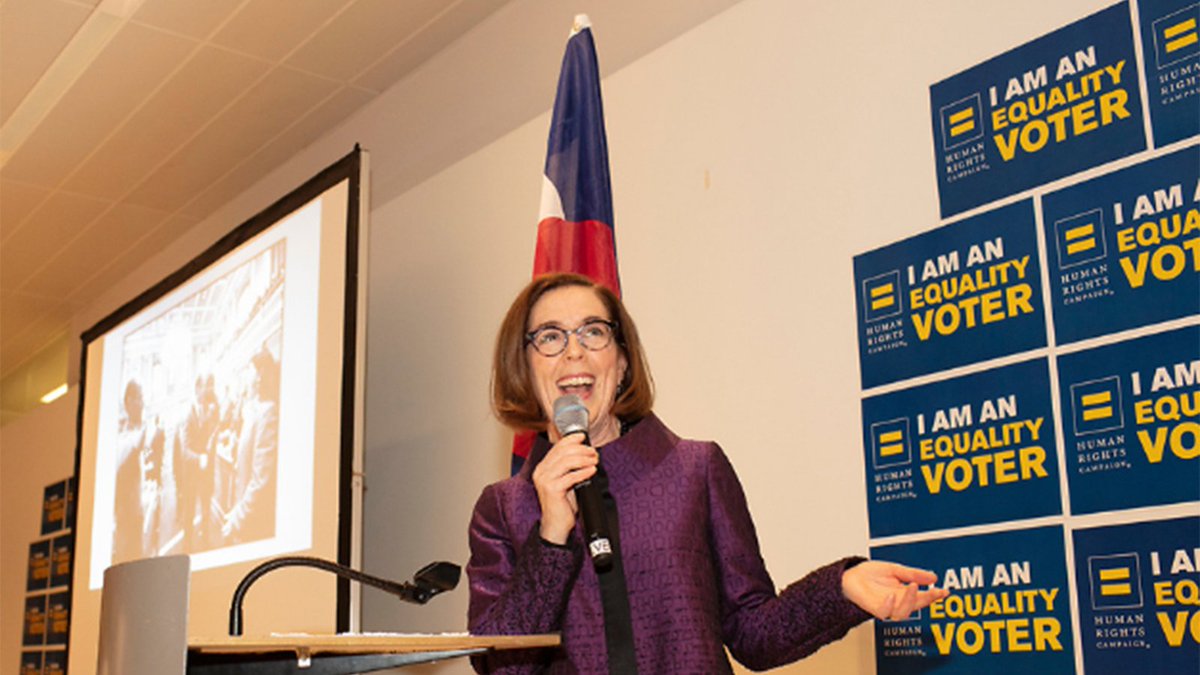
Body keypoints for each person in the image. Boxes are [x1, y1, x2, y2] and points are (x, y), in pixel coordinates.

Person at [467, 273, 949, 673]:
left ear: (623, 358)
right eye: (550, 337)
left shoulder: (694, 469)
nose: (574, 352)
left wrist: (840, 589)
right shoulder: (504, 506)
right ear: (525, 366)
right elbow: (500, 664)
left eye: (594, 331)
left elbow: (753, 632)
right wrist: (551, 536)